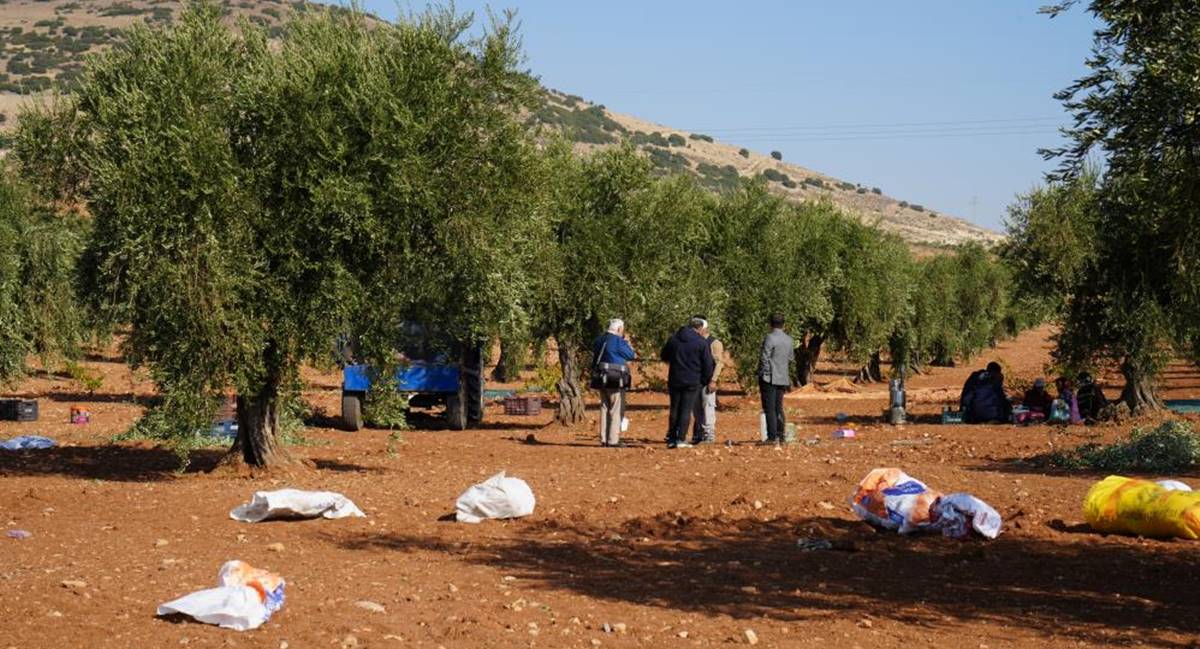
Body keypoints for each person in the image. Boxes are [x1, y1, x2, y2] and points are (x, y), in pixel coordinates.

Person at [660, 316, 715, 449]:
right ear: (700, 328)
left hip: (675, 379)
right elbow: (708, 364)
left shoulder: (674, 339)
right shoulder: (701, 342)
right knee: (686, 410)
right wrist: (705, 379)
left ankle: (671, 438)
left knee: (674, 409)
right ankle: (681, 439)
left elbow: (664, 355)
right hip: (692, 380)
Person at [591, 319, 636, 447]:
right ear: (618, 329)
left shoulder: (600, 340)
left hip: (601, 377)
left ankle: (604, 439)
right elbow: (630, 355)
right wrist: (625, 341)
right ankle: (613, 440)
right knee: (616, 408)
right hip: (615, 378)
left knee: (604, 407)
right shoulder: (617, 341)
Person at [758, 313, 794, 444]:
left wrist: (765, 374)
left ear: (770, 324)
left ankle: (772, 437)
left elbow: (764, 358)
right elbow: (790, 358)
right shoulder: (789, 339)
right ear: (783, 324)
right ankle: (781, 435)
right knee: (779, 407)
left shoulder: (770, 337)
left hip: (770, 378)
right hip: (783, 377)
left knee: (769, 408)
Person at [690, 318, 725, 445]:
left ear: (704, 329)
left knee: (708, 408)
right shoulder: (695, 342)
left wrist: (713, 380)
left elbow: (719, 363)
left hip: (707, 382)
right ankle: (698, 434)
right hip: (695, 382)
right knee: (697, 409)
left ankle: (709, 435)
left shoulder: (714, 343)